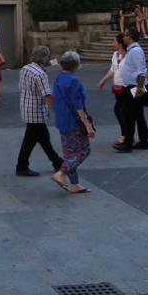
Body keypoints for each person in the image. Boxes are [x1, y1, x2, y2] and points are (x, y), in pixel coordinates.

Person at [16, 45, 65, 177]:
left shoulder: (25, 69)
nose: (49, 58)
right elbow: (47, 95)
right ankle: (21, 166)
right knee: (30, 140)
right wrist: (57, 111)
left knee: (43, 137)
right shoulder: (40, 74)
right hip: (36, 111)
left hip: (26, 107)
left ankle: (57, 161)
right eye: (47, 56)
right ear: (43, 57)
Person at [52, 51, 95, 194]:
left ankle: (75, 184)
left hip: (62, 119)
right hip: (73, 120)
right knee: (84, 150)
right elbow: (78, 106)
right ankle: (61, 173)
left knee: (69, 153)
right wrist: (87, 124)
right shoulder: (73, 81)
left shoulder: (59, 77)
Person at [114, 28, 148, 152]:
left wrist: (139, 89)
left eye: (125, 36)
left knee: (126, 112)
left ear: (130, 37)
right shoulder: (132, 50)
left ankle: (128, 143)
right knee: (138, 114)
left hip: (136, 87)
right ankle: (144, 141)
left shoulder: (135, 51)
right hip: (134, 86)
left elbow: (142, 71)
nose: (123, 38)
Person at [97, 31, 129, 147]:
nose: (112, 43)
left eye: (114, 41)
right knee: (120, 111)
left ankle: (126, 136)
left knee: (122, 111)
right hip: (118, 88)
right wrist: (103, 80)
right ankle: (126, 135)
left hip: (128, 88)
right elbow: (113, 69)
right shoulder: (115, 55)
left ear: (120, 43)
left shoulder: (129, 55)